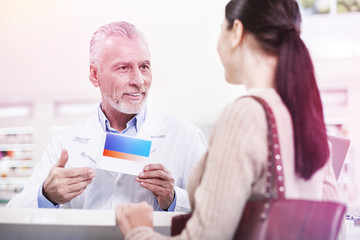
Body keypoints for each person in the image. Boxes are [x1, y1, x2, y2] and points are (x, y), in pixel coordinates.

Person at [115, 0, 342, 239]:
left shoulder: (246, 115)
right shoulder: (304, 118)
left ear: (237, 32)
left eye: (221, 29)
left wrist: (138, 231)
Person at [7, 21, 206, 212]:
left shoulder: (185, 137)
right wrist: (46, 195)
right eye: (124, 68)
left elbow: (216, 216)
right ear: (95, 75)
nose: (138, 80)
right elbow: (13, 215)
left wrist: (173, 199)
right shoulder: (64, 143)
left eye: (144, 66)